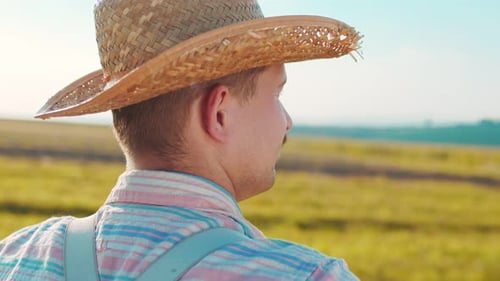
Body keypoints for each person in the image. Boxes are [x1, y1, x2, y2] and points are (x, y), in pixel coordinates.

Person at [0, 0, 362, 280]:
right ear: (219, 112)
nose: (287, 121)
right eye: (277, 94)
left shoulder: (14, 256)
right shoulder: (307, 275)